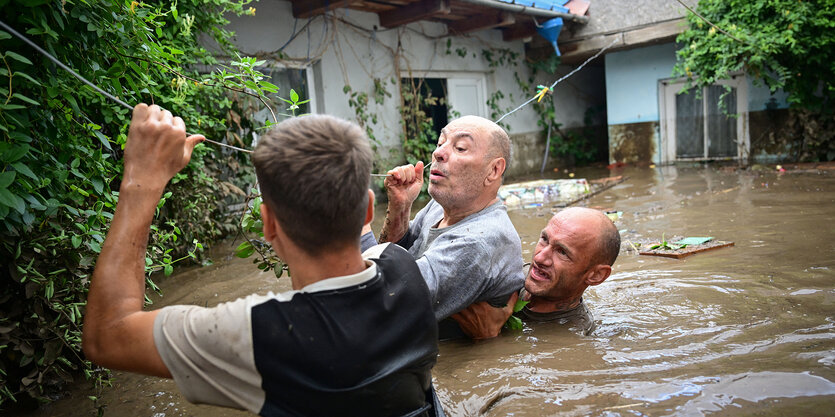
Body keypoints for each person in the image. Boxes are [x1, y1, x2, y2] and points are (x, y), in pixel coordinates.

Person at [82, 105, 441, 416]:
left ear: (268, 225)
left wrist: (140, 182)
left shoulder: (260, 333)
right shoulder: (405, 267)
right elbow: (372, 253)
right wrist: (400, 206)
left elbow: (107, 336)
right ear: (367, 207)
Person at [361, 116, 525, 327]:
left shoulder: (478, 242)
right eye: (440, 143)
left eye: (460, 148)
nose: (438, 153)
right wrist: (399, 207)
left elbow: (376, 301)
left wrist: (357, 221)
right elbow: (395, 255)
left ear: (493, 170)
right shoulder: (441, 205)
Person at [451, 207, 621, 338]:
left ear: (596, 275)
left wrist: (486, 338)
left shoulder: (572, 337)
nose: (540, 258)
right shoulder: (509, 273)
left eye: (562, 252)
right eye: (544, 240)